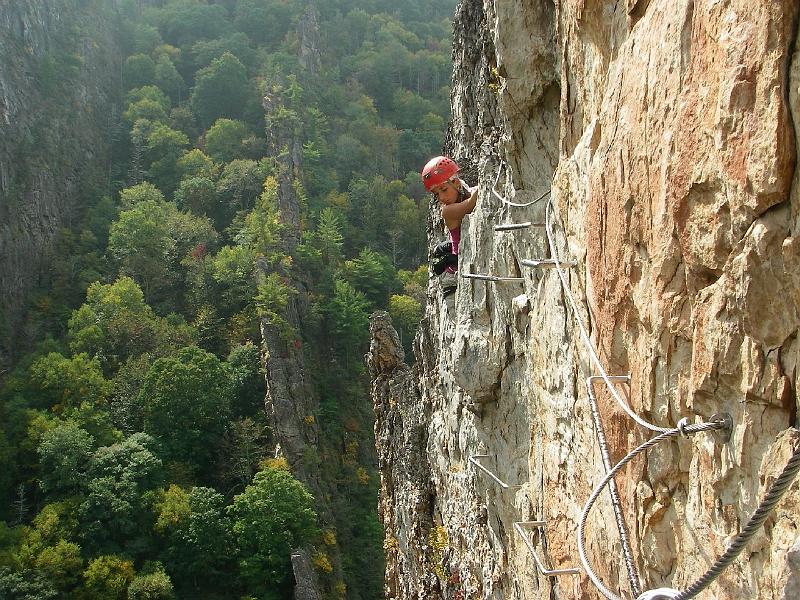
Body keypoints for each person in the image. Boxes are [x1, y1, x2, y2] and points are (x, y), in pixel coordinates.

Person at [421, 155, 478, 296]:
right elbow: (471, 205)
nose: (441, 197)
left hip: (462, 263)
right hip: (452, 277)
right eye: (436, 194)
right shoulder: (447, 211)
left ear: (456, 182)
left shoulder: (464, 194)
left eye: (444, 190)